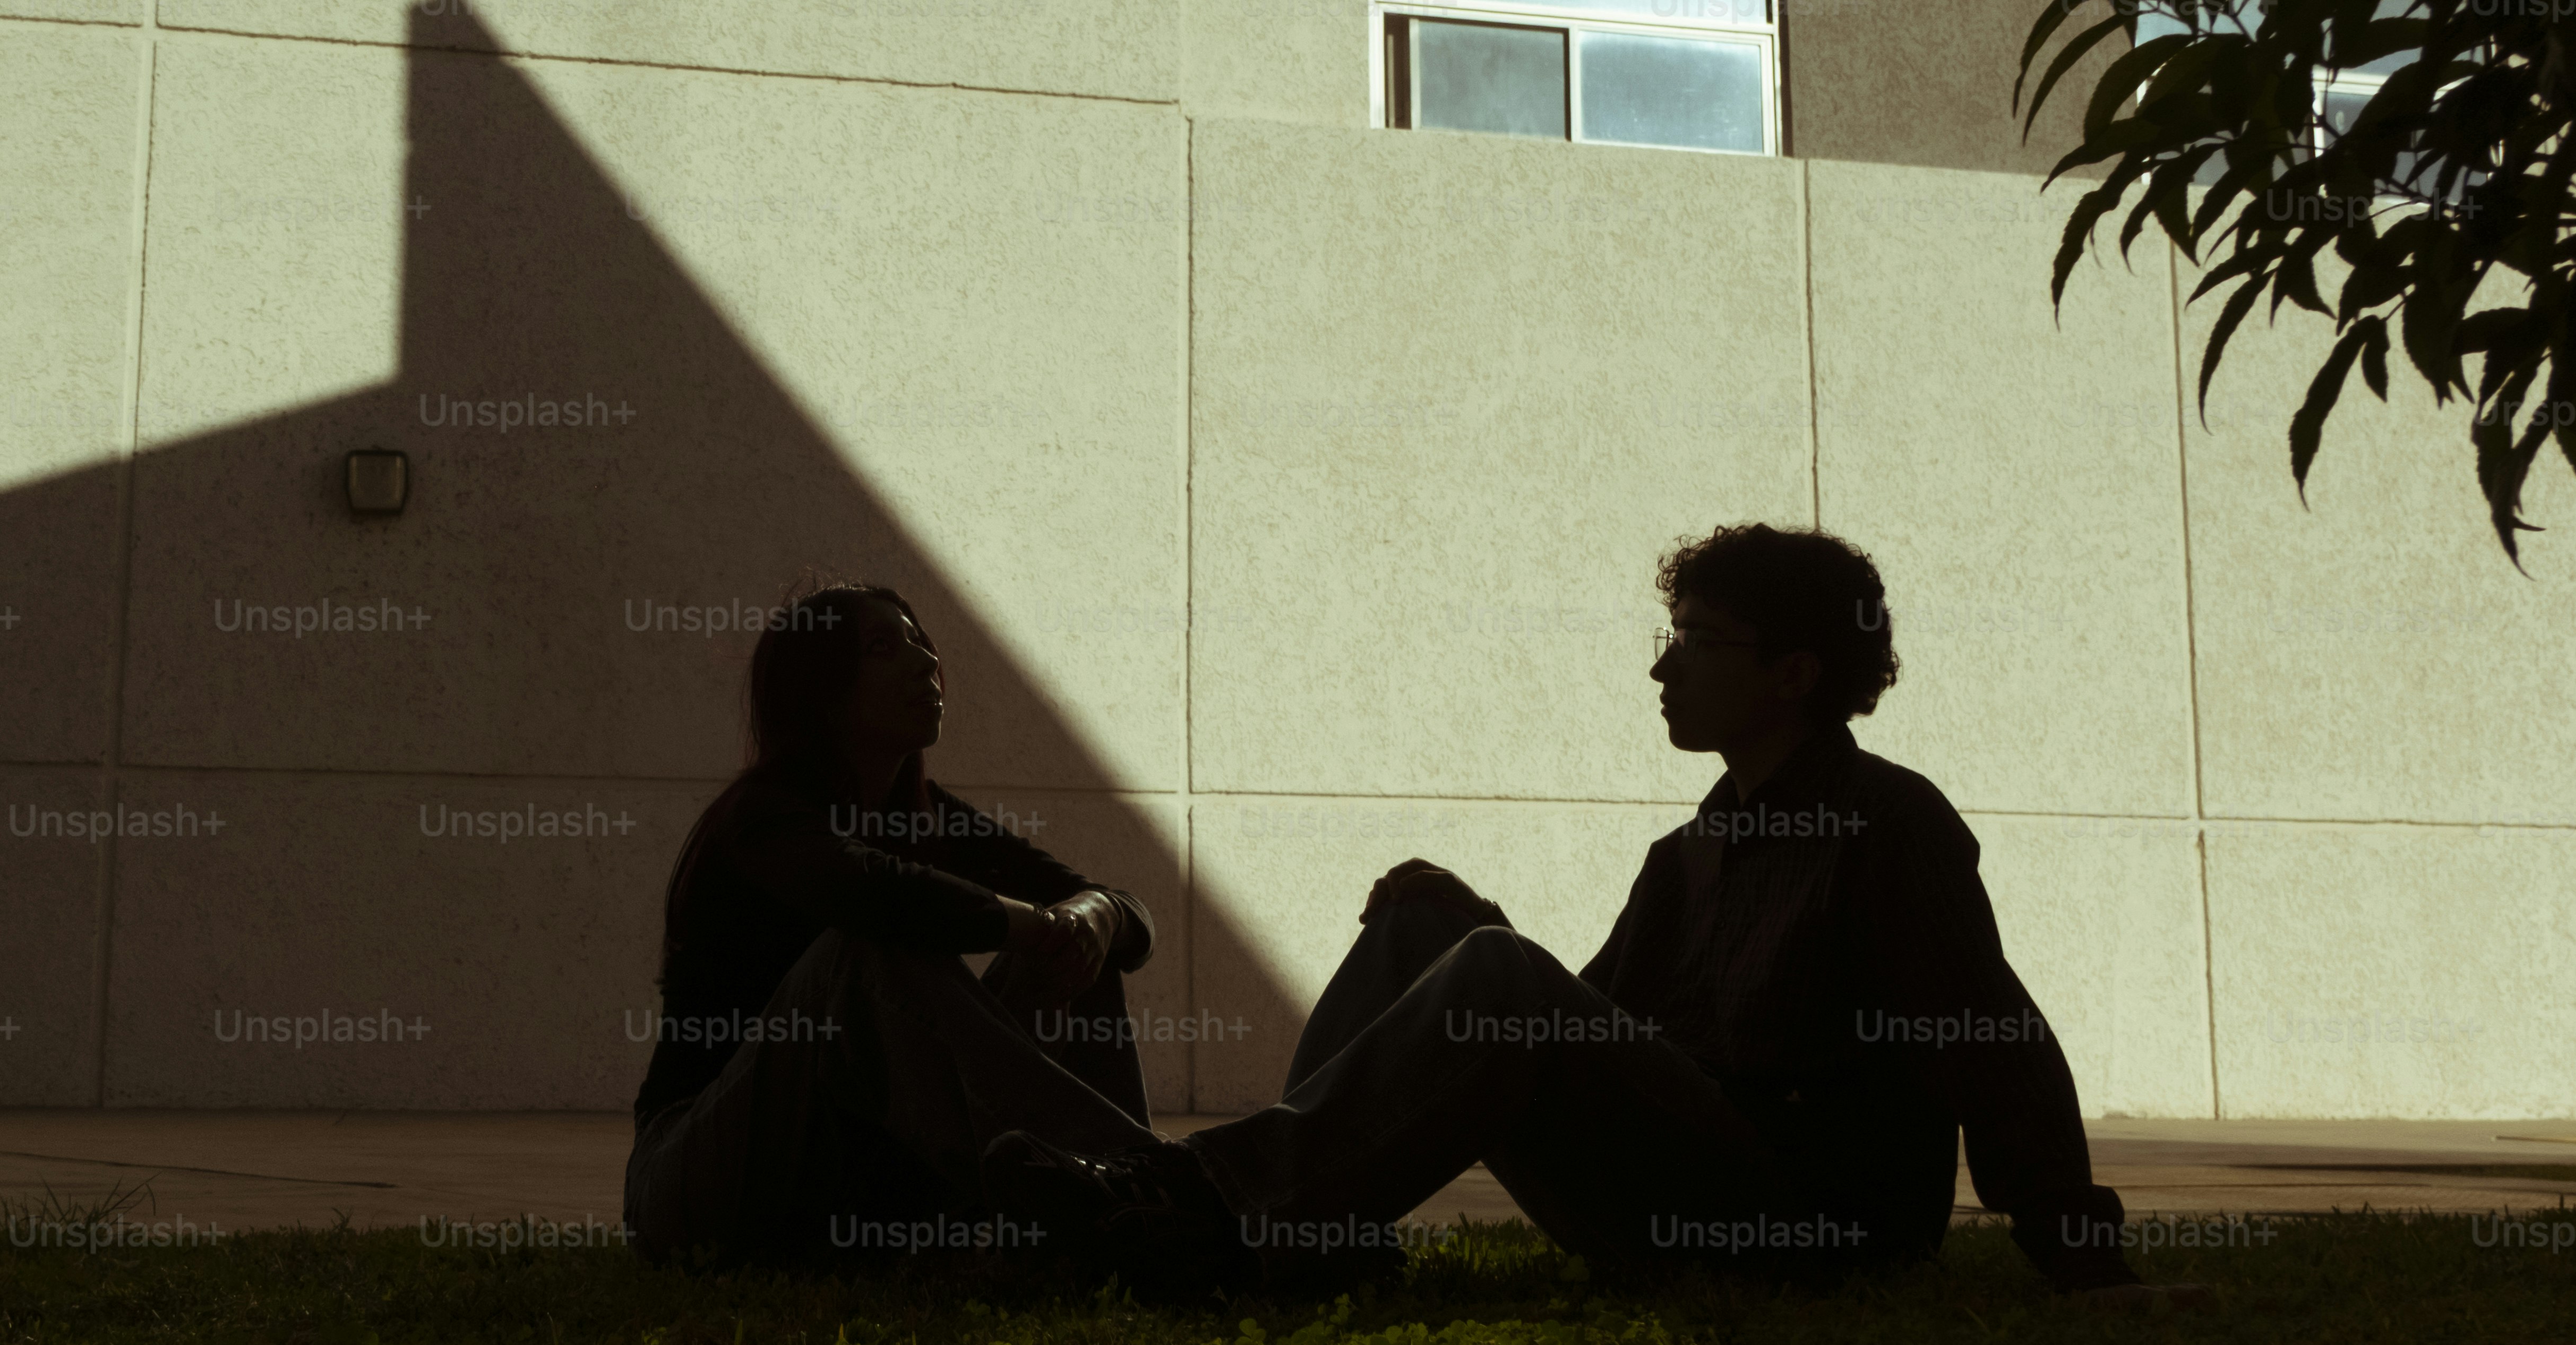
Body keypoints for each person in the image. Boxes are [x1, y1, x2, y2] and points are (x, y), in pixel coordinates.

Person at [1186, 525, 2185, 1305]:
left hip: (1811, 1230)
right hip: (1674, 1190)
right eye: (1669, 641)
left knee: (1489, 962)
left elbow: (1992, 1037)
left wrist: (2087, 1265)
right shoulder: (1690, 852)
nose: (1662, 670)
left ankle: (1208, 1212)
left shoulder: (1888, 824)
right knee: (1421, 926)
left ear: (1794, 674)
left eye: (1696, 644)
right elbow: (1583, 1029)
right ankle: (1306, 1234)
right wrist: (1470, 922)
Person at [624, 583, 1220, 1271]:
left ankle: (1121, 1195)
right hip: (695, 1178)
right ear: (822, 690)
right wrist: (1028, 924)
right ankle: (1154, 1197)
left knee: (1078, 951)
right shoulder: (762, 819)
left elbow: (1120, 913)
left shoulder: (928, 815)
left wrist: (1091, 917)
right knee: (859, 955)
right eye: (884, 647)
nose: (924, 662)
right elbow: (872, 893)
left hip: (847, 1190)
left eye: (920, 642)